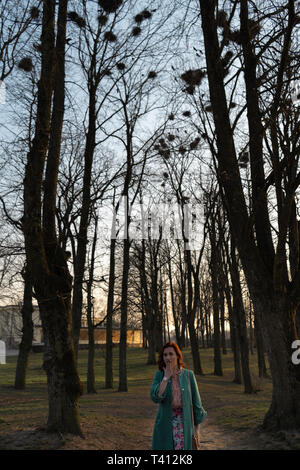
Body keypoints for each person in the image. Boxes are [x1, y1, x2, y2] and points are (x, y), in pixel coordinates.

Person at [150, 341, 207, 450]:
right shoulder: (159, 375)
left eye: (171, 354)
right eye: (165, 355)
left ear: (177, 356)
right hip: (164, 423)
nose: (168, 357)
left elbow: (197, 405)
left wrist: (196, 430)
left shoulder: (188, 375)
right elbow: (155, 397)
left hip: (184, 422)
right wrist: (166, 378)